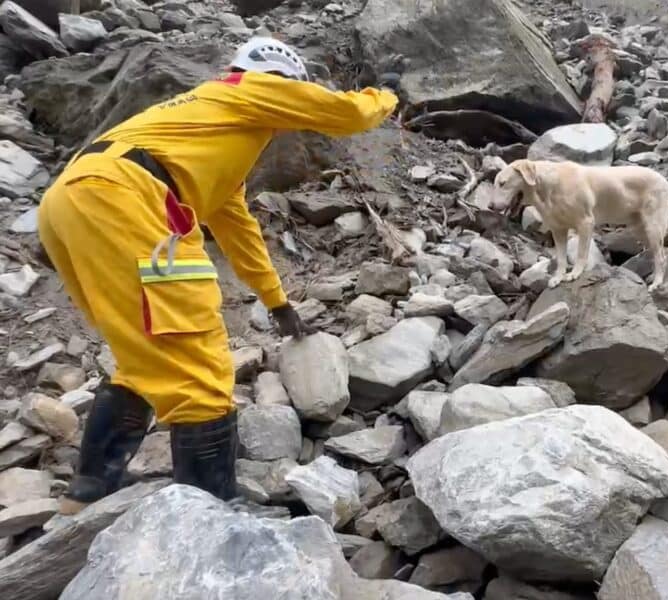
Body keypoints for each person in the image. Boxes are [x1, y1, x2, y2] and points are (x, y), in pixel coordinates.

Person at [38, 37, 398, 514]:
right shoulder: (247, 87)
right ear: (281, 81)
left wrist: (277, 303)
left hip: (69, 200)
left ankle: (87, 492)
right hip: (128, 196)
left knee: (144, 351)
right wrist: (387, 97)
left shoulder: (206, 139)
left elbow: (239, 232)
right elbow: (346, 113)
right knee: (199, 362)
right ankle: (212, 516)